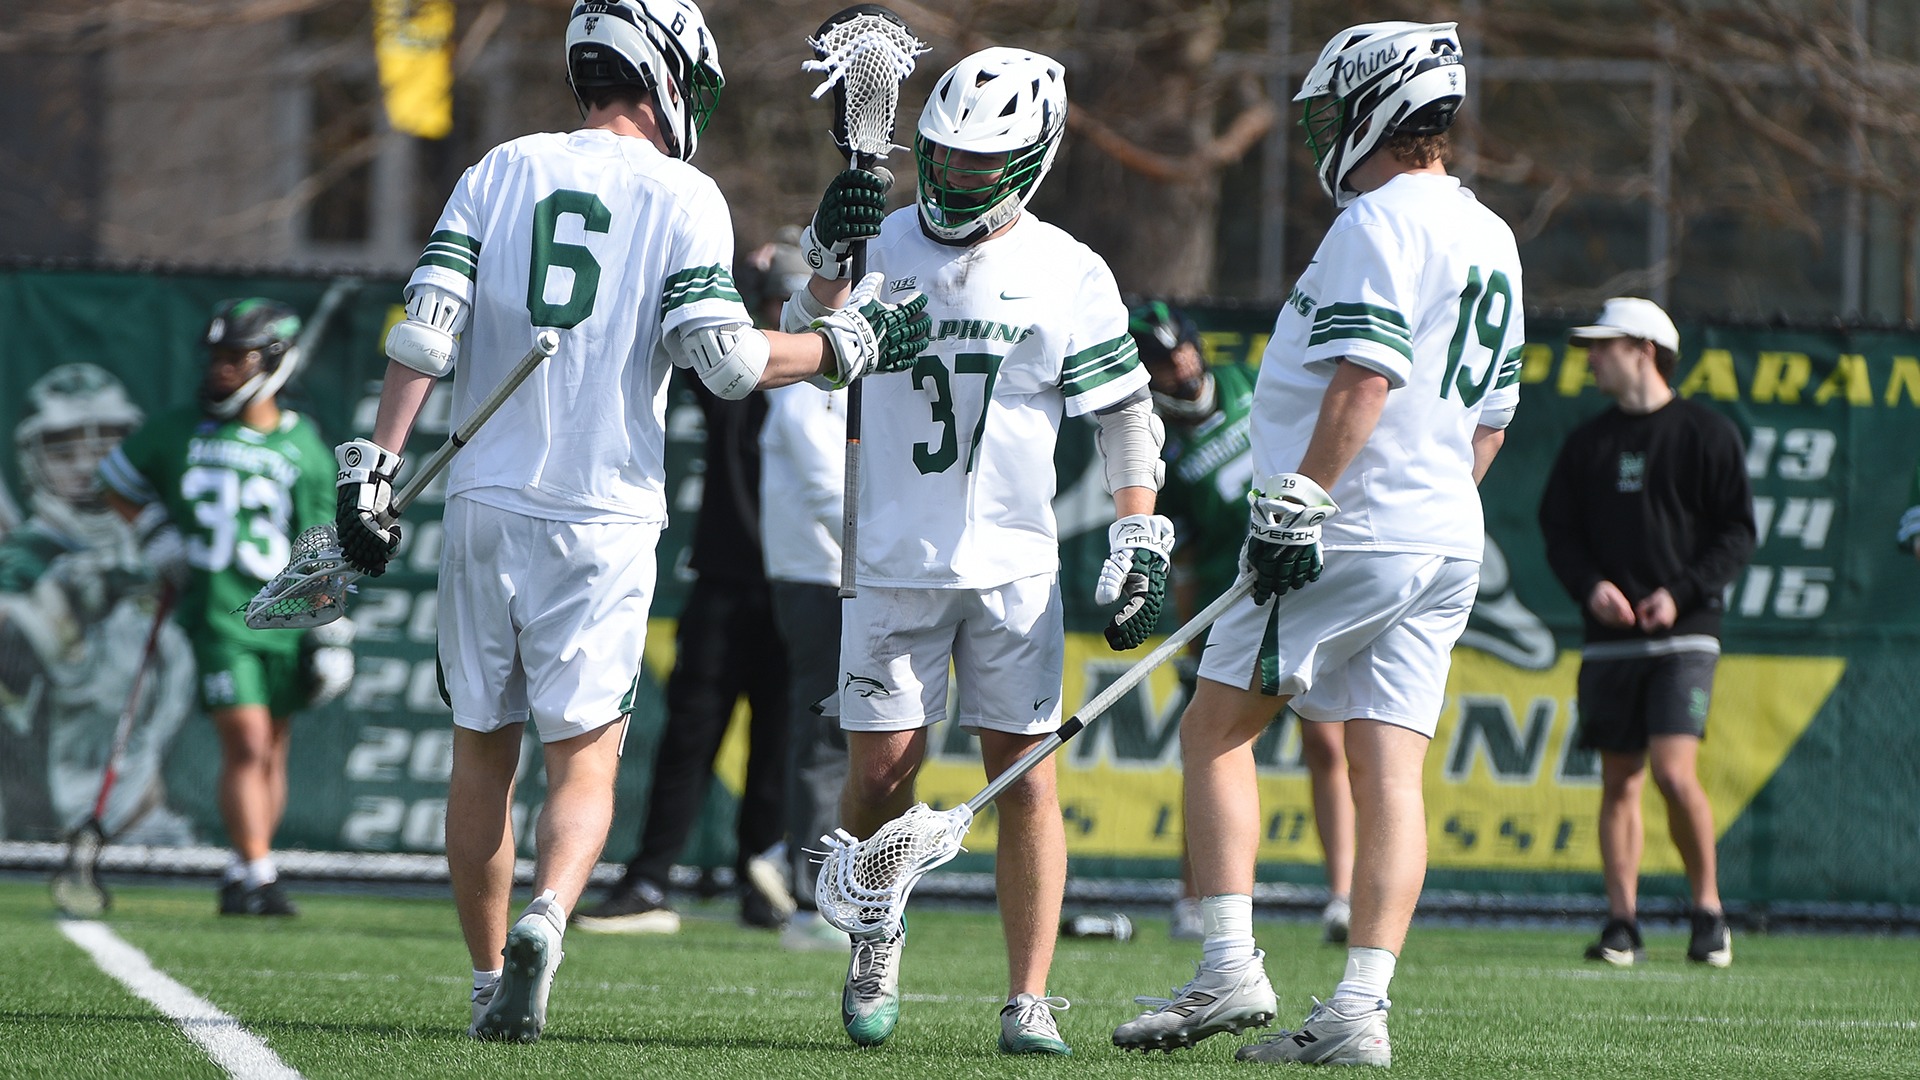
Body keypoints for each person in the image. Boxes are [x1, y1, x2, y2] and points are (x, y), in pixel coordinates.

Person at [333, 0, 927, 1042]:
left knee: (483, 750)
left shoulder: (499, 168)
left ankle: (484, 982)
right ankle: (550, 916)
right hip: (604, 512)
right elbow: (730, 362)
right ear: (662, 73)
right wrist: (844, 346)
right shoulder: (684, 193)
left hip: (479, 495)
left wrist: (374, 467)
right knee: (586, 758)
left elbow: (425, 331)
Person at [1114, 22, 1520, 1067]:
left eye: (1338, 111)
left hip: (1345, 526)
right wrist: (1417, 508)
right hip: (1440, 537)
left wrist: (1307, 496)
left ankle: (1227, 968)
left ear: (1377, 108)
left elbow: (1364, 379)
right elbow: (1491, 421)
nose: (1327, 134)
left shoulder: (1377, 222)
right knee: (1389, 771)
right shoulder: (1491, 232)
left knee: (1215, 730)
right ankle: (1357, 1012)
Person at [795, 47, 1172, 1055]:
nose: (957, 175)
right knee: (881, 778)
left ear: (1032, 159)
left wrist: (1140, 532)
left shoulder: (1068, 269)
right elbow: (808, 351)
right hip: (887, 559)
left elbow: (1127, 416)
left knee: (1028, 780)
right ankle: (876, 932)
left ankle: (1028, 998)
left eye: (980, 161)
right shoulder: (876, 240)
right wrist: (825, 270)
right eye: (945, 156)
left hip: (1014, 566)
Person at [98, 300, 352, 916]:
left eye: (235, 359)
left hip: (285, 615)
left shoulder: (303, 444)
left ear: (271, 362)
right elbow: (116, 480)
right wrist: (156, 531)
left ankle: (242, 870)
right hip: (221, 612)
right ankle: (262, 874)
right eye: (216, 358)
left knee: (272, 748)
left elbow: (318, 537)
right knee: (246, 739)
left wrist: (333, 629)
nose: (221, 372)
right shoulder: (180, 427)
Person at [1128, 301, 1356, 947]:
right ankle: (1193, 896)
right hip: (1234, 599)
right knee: (1216, 744)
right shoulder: (1155, 441)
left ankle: (1340, 896)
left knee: (1327, 742)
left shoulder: (1241, 384)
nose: (1181, 363)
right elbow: (1186, 556)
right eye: (1165, 357)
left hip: (1303, 577)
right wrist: (1191, 632)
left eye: (1185, 348)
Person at [1538, 296, 1753, 969]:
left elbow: (1738, 531)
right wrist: (1591, 587)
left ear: (1645, 350)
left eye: (1605, 345)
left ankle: (1708, 913)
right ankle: (1622, 924)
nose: (1593, 358)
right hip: (1611, 641)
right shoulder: (1587, 444)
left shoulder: (1706, 433)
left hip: (1684, 637)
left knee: (1671, 770)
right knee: (1619, 779)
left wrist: (1680, 594)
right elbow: (1559, 533)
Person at [572, 372, 795, 936]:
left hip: (800, 591)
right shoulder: (741, 387)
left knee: (779, 748)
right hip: (722, 588)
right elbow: (701, 355)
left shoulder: (838, 397)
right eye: (779, 299)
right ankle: (648, 882)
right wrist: (753, 282)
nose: (790, 312)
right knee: (688, 743)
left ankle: (761, 880)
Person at [0, 365, 196, 847]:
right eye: (64, 452)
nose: (87, 467)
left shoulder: (160, 538)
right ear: (33, 460)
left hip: (140, 801)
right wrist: (59, 598)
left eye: (105, 447)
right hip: (43, 803)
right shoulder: (27, 557)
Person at [753, 233, 855, 953]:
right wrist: (876, 552)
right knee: (825, 735)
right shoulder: (803, 372)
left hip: (831, 570)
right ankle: (810, 891)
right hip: (819, 575)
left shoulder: (830, 364)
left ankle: (800, 869)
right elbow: (825, 486)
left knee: (838, 731)